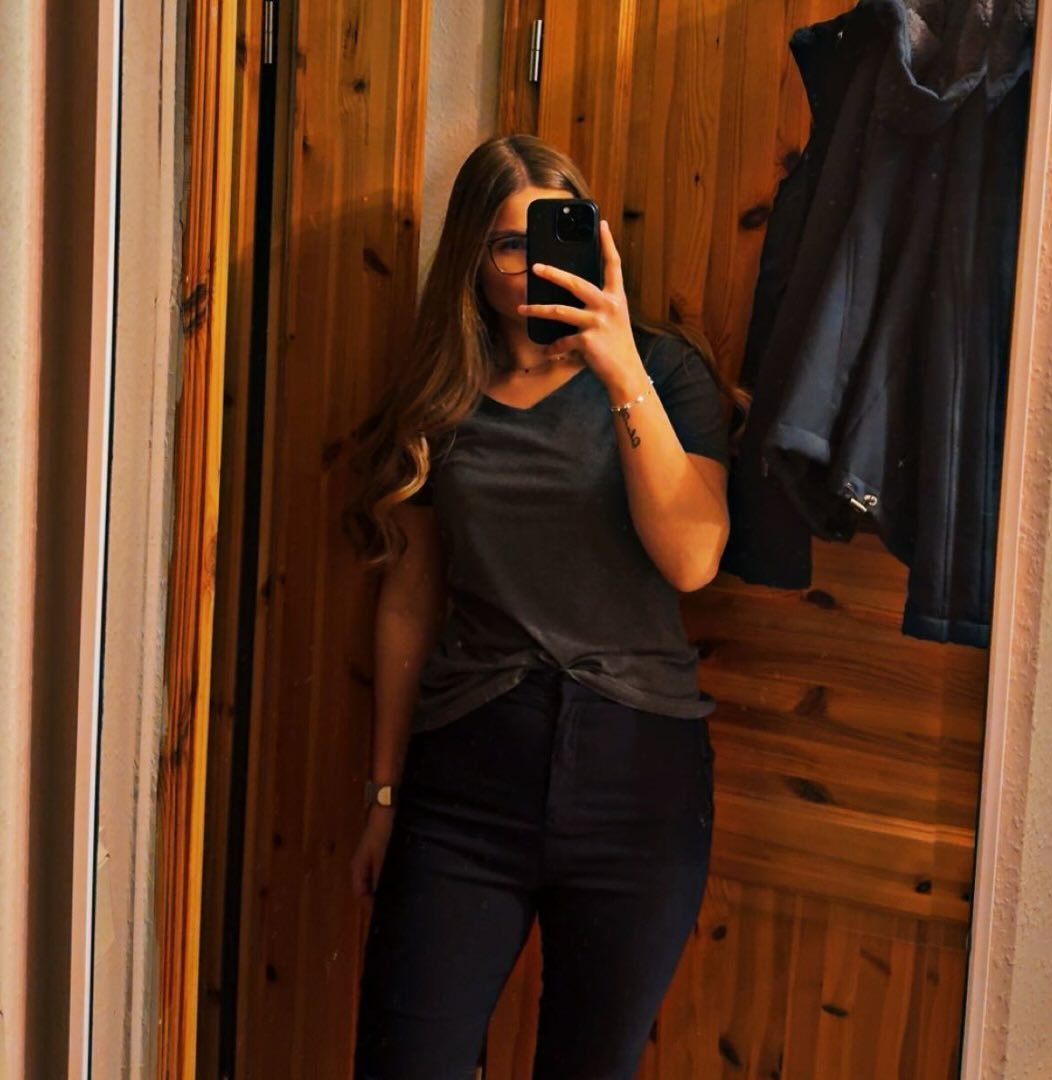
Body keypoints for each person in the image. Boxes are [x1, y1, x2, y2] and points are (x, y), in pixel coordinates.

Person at [345, 133, 737, 1080]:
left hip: (635, 779)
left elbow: (692, 559)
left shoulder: (664, 372)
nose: (531, 266)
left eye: (553, 236)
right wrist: (385, 794)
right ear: (473, 262)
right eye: (507, 244)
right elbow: (409, 600)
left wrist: (621, 371)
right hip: (467, 778)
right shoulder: (442, 396)